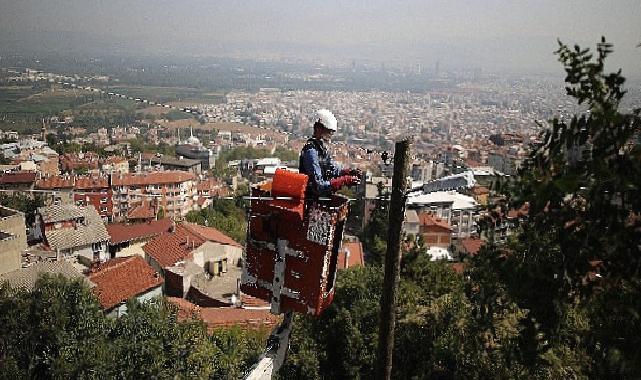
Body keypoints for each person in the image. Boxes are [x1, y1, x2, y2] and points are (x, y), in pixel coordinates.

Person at [299, 109, 361, 198]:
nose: (330, 134)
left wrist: (347, 172)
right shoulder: (311, 152)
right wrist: (344, 180)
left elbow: (331, 168)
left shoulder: (321, 149)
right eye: (328, 131)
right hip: (311, 200)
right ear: (318, 128)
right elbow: (319, 186)